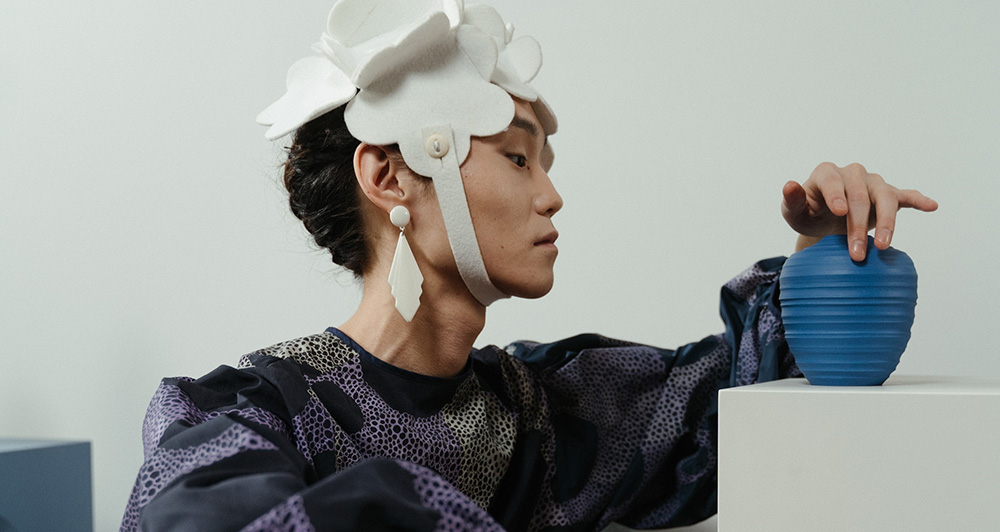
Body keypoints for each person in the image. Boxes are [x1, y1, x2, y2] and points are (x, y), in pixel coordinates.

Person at [120, 1, 937, 531]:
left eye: (545, 164)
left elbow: (741, 414)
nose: (551, 196)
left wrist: (825, 252)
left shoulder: (544, 414)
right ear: (391, 176)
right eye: (517, 159)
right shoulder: (249, 414)